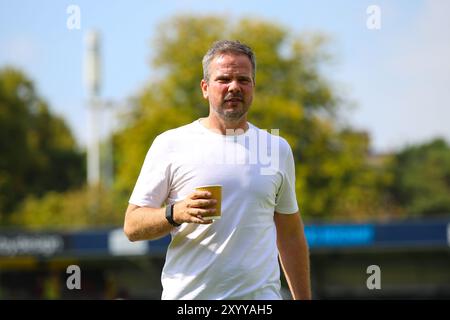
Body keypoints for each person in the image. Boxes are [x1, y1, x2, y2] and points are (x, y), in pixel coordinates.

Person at [124, 40, 311, 300]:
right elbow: (132, 226)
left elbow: (290, 235)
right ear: (205, 88)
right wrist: (174, 213)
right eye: (224, 79)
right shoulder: (171, 143)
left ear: (253, 87)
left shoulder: (274, 147)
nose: (234, 86)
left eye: (243, 80)